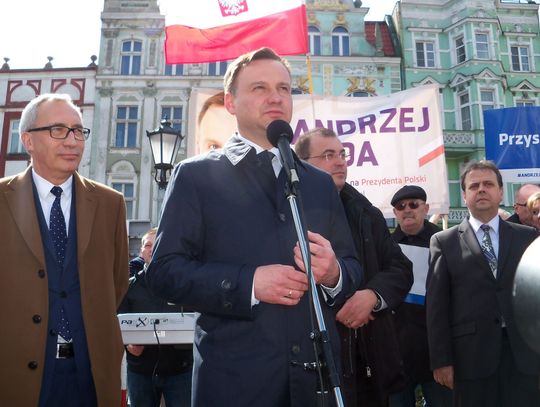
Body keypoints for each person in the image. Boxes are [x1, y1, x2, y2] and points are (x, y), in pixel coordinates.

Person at [146, 47, 362, 407]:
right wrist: (249, 283)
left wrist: (333, 273)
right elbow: (164, 273)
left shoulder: (319, 183)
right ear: (230, 102)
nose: (275, 97)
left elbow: (352, 268)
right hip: (234, 386)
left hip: (316, 386)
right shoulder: (196, 176)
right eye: (259, 88)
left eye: (284, 88)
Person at [0, 93, 129, 406]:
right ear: (28, 140)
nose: (72, 141)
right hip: (13, 374)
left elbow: (117, 283)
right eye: (58, 130)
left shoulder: (110, 203)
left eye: (78, 131)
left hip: (92, 374)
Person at [295, 127, 413, 407]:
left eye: (342, 154)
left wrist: (372, 296)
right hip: (311, 367)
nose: (340, 162)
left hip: (367, 365)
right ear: (302, 164)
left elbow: (400, 268)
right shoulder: (288, 210)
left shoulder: (365, 212)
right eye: (328, 155)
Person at [426, 160, 540, 406]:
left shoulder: (528, 237)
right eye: (474, 186)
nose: (481, 190)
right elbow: (436, 307)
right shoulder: (444, 242)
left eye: (488, 184)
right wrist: (441, 360)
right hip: (471, 360)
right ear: (464, 195)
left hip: (524, 358)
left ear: (501, 192)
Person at [387, 185, 453, 407]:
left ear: (425, 208)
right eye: (400, 206)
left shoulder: (446, 241)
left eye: (413, 204)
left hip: (436, 354)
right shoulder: (386, 246)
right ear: (395, 213)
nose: (407, 210)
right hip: (397, 356)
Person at [119, 228, 193, 407]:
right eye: (147, 245)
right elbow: (117, 322)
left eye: (157, 244)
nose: (151, 249)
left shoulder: (183, 286)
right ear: (141, 251)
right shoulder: (128, 288)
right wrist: (128, 345)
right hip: (140, 371)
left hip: (180, 371)